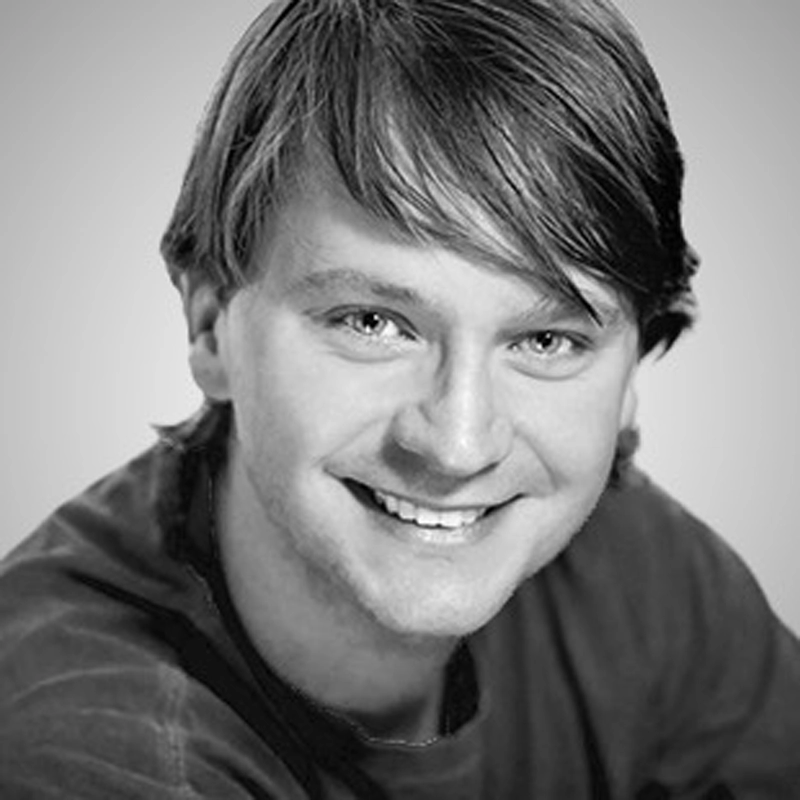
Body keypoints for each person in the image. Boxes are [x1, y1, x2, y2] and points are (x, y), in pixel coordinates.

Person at [1, 0, 798, 796]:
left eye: (548, 342)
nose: (458, 444)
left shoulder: (638, 571)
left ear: (630, 373)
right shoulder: (88, 751)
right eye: (374, 323)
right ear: (212, 326)